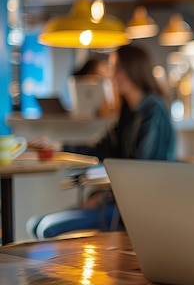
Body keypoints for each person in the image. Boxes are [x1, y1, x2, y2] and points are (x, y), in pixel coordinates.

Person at [27, 44, 176, 239]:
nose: (112, 75)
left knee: (46, 229)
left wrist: (101, 196)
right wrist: (59, 146)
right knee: (35, 224)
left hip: (138, 208)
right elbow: (101, 148)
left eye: (117, 69)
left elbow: (139, 168)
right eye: (112, 69)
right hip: (118, 200)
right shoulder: (127, 111)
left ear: (134, 69)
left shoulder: (153, 110)